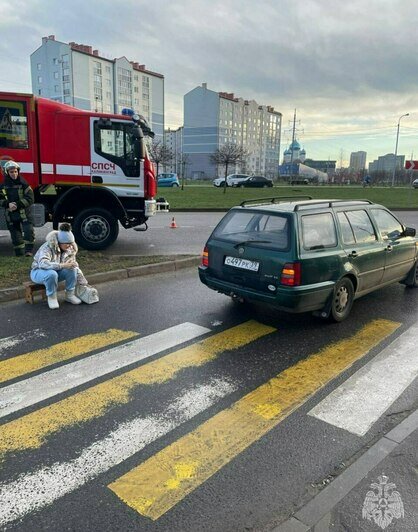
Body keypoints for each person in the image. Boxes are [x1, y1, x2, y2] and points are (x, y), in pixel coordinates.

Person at [30, 223, 82, 309]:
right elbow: (43, 263)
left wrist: (73, 264)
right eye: (67, 243)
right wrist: (63, 265)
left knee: (72, 269)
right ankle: (52, 297)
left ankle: (70, 295)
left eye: (71, 243)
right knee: (51, 274)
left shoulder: (69, 248)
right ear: (60, 242)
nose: (69, 246)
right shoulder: (47, 247)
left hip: (56, 271)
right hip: (38, 271)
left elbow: (71, 263)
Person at [0, 160, 35, 256]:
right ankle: (19, 254)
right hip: (11, 214)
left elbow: (30, 198)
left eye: (16, 171)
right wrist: (7, 204)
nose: (14, 174)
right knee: (16, 236)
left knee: (28, 232)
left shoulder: (24, 184)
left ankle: (28, 252)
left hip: (24, 213)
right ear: (7, 173)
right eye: (11, 172)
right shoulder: (3, 186)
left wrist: (17, 204)